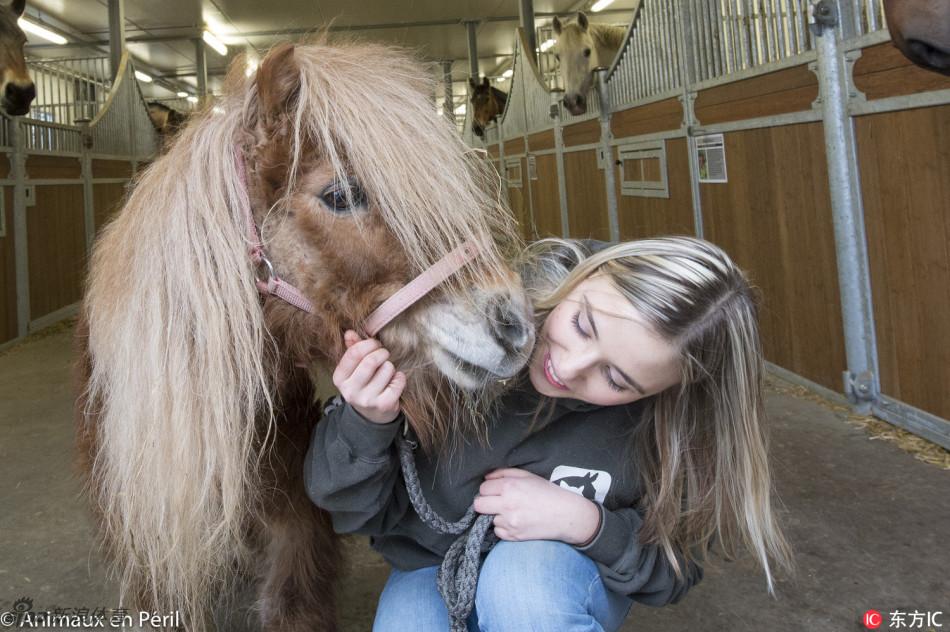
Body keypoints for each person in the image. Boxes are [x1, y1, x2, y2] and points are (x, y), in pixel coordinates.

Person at [305, 236, 793, 631]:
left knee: (523, 585)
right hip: (430, 566)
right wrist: (366, 421)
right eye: (582, 324)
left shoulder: (667, 433)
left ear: (667, 392)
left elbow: (672, 570)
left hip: (551, 575)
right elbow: (351, 512)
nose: (569, 365)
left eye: (617, 379)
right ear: (587, 275)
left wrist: (586, 524)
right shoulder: (462, 343)